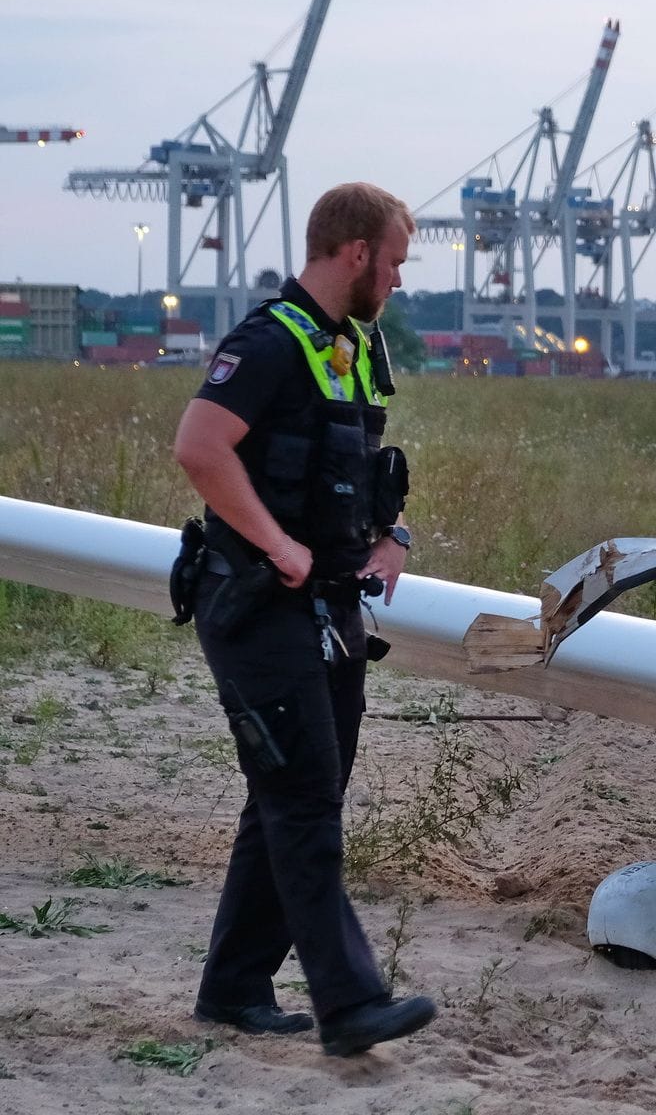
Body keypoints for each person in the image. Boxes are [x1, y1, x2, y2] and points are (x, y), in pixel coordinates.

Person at [172, 182, 435, 1057]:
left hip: (328, 607)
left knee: (293, 799)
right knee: (304, 806)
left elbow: (358, 465)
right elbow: (199, 447)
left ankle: (234, 988)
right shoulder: (267, 344)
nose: (398, 278)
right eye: (394, 260)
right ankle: (351, 1004)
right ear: (355, 252)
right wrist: (278, 547)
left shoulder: (352, 349)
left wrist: (392, 534)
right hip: (256, 606)